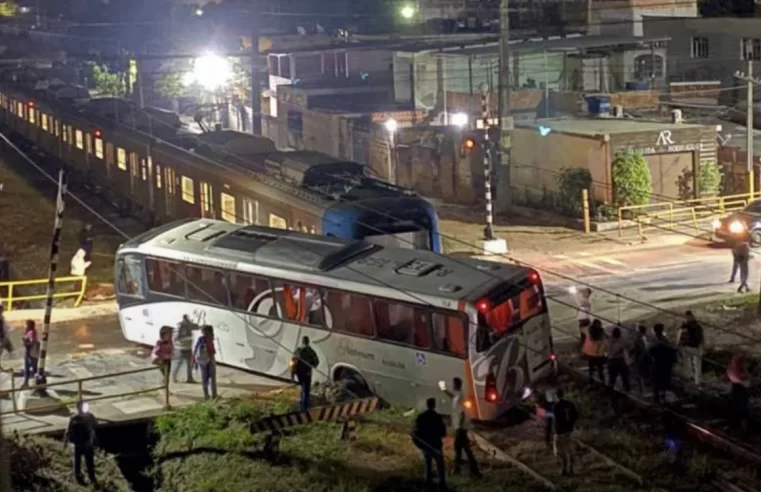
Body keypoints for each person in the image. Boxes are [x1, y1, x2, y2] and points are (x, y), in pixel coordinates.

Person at [411, 397, 447, 489]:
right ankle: (442, 483)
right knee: (440, 464)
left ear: (427, 405)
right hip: (436, 445)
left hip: (426, 445)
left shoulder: (421, 417)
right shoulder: (437, 417)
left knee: (428, 464)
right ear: (434, 405)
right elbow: (443, 432)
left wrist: (420, 444)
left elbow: (415, 432)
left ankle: (428, 482)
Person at [450, 377, 481, 478]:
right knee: (464, 449)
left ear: (456, 385)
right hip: (460, 427)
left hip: (461, 428)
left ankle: (459, 469)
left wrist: (459, 427)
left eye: (453, 384)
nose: (452, 385)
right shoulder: (458, 396)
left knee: (458, 447)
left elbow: (462, 413)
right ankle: (472, 470)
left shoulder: (460, 397)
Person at [63, 399, 98, 485]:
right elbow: (95, 426)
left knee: (78, 462)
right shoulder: (90, 417)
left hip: (77, 444)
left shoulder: (74, 418)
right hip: (87, 443)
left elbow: (68, 431)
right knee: (89, 462)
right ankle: (91, 478)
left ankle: (79, 477)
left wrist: (65, 443)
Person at [549, 389, 578, 476]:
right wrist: (571, 425)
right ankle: (571, 468)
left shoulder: (556, 406)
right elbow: (576, 414)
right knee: (569, 450)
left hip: (559, 432)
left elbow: (555, 418)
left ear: (556, 396)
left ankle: (564, 469)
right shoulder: (569, 404)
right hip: (568, 431)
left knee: (560, 452)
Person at [649, 323, 677, 404]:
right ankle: (662, 398)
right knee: (662, 382)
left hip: (658, 364)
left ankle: (658, 398)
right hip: (663, 364)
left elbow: (649, 352)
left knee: (657, 382)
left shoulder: (653, 340)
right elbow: (671, 351)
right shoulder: (664, 340)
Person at [291, 336, 319, 412]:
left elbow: (292, 362)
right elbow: (316, 361)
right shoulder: (310, 351)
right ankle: (305, 408)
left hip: (299, 373)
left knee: (302, 388)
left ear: (302, 341)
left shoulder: (298, 350)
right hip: (307, 373)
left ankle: (301, 406)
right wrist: (312, 366)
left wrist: (292, 375)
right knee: (306, 390)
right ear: (308, 342)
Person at [677, 311, 704, 386]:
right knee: (690, 364)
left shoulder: (696, 326)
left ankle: (696, 380)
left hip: (694, 347)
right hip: (688, 347)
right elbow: (679, 337)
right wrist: (679, 346)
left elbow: (701, 337)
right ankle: (692, 379)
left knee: (696, 365)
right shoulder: (684, 327)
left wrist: (702, 346)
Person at [727, 353, 750, 433]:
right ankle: (740, 429)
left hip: (739, 391)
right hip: (739, 391)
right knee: (739, 410)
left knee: (740, 411)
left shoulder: (737, 370)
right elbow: (746, 382)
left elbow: (746, 382)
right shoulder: (734, 370)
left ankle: (742, 430)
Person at [194, 325, 218, 399]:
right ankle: (214, 394)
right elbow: (213, 351)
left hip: (202, 361)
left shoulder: (200, 339)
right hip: (210, 359)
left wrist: (194, 361)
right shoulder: (210, 339)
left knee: (204, 378)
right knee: (212, 378)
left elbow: (195, 349)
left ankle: (206, 395)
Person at [582, 319, 607, 387]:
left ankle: (591, 383)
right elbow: (604, 342)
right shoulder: (600, 332)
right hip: (597, 355)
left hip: (592, 354)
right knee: (599, 370)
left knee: (592, 370)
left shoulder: (589, 331)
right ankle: (602, 383)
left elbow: (583, 329)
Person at [173, 315, 196, 384]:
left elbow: (196, 327)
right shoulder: (179, 327)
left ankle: (190, 378)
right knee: (179, 363)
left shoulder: (189, 325)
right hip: (181, 348)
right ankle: (174, 377)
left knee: (190, 364)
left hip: (188, 347)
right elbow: (176, 338)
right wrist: (185, 338)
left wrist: (192, 324)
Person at [607, 326, 631, 393]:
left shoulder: (609, 340)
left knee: (613, 378)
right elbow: (626, 346)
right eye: (619, 333)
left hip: (611, 361)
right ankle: (627, 390)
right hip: (617, 360)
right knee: (623, 376)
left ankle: (611, 391)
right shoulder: (619, 341)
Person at [630, 324, 652, 395]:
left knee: (641, 375)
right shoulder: (639, 339)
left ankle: (643, 390)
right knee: (641, 375)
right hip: (640, 359)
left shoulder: (640, 338)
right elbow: (643, 350)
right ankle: (643, 391)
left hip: (640, 358)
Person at [21, 320, 40, 387]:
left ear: (29, 326)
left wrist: (25, 342)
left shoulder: (32, 332)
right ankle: (26, 383)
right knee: (27, 369)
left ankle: (38, 383)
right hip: (28, 353)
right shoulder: (29, 332)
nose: (24, 326)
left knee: (34, 369)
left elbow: (32, 342)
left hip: (31, 354)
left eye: (26, 325)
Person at [0, 305, 12, 370]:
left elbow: (4, 326)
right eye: (2, 309)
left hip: (3, 336)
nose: (3, 310)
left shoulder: (2, 317)